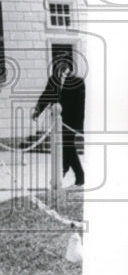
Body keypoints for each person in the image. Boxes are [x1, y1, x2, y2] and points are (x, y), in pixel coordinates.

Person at [31, 58, 85, 186]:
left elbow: (80, 106)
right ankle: (64, 172)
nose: (59, 67)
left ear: (68, 65)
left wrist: (78, 126)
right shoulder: (53, 80)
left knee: (68, 147)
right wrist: (38, 110)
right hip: (56, 121)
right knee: (64, 147)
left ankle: (78, 175)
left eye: (62, 64)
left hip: (70, 122)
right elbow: (46, 95)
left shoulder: (78, 81)